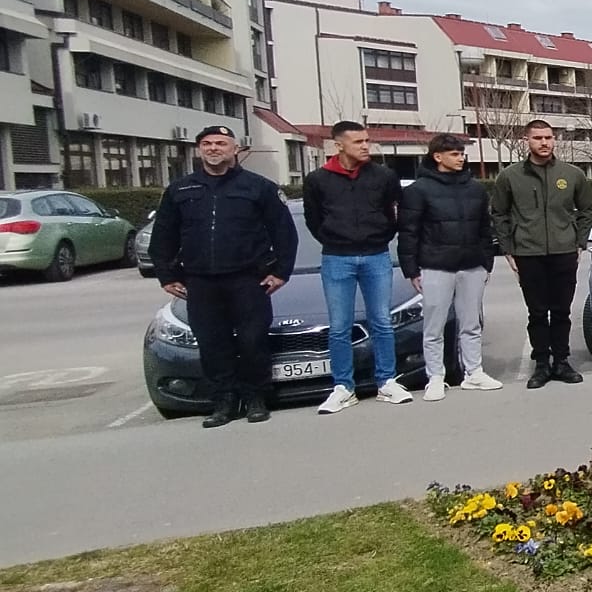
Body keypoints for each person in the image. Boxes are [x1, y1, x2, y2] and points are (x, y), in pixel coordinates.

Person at [151, 125, 297, 427]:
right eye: (207, 144)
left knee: (252, 341)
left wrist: (280, 271)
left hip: (248, 279)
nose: (213, 148)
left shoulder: (258, 187)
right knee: (212, 344)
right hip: (201, 282)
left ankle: (256, 398)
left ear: (235, 149)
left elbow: (284, 232)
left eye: (220, 143)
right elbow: (163, 236)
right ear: (199, 149)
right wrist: (167, 275)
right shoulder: (180, 190)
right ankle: (224, 402)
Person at [303, 119, 408, 412]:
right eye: (358, 142)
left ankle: (387, 381)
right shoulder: (318, 179)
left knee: (382, 321)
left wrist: (382, 235)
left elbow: (395, 211)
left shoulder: (383, 176)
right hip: (337, 258)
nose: (365, 146)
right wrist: (334, 238)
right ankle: (343, 387)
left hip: (376, 255)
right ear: (339, 145)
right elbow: (313, 219)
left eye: (366, 141)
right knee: (339, 326)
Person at [398, 132, 503, 399]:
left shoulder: (475, 189)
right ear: (438, 156)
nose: (460, 158)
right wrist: (411, 270)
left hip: (472, 265)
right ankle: (435, 377)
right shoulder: (418, 190)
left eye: (462, 154)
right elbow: (408, 232)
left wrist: (487, 262)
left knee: (471, 323)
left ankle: (474, 372)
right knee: (434, 326)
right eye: (454, 154)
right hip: (435, 266)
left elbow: (485, 228)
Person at [491, 118, 592, 388]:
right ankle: (541, 365)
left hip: (564, 251)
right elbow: (499, 213)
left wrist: (580, 242)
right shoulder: (510, 176)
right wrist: (508, 248)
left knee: (561, 311)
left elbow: (586, 210)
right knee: (537, 312)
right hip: (528, 253)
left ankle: (561, 361)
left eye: (548, 137)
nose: (544, 142)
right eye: (538, 138)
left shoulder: (572, 174)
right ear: (527, 140)